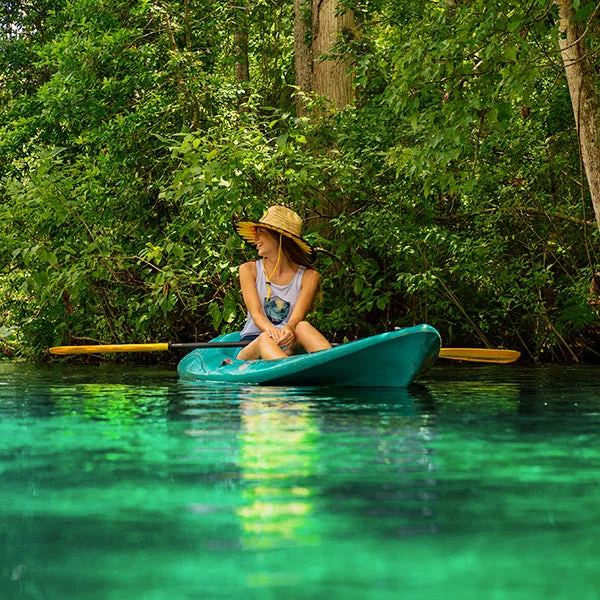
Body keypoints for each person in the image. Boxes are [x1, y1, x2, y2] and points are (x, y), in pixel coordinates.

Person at [233, 205, 332, 360]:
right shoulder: (248, 270)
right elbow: (257, 314)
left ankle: (331, 367)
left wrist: (289, 329)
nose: (256, 239)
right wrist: (271, 331)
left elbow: (296, 318)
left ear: (278, 237)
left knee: (303, 326)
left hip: (288, 341)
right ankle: (289, 373)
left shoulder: (309, 276)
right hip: (254, 342)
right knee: (265, 339)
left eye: (261, 233)